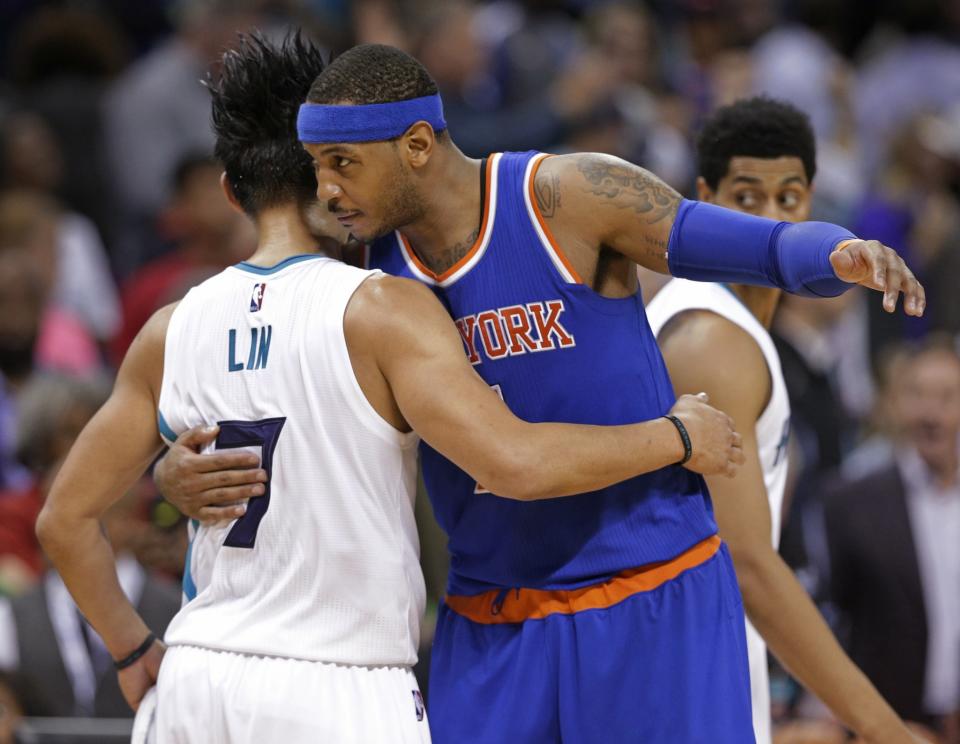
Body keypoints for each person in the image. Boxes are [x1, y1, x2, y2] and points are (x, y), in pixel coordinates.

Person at [161, 42, 923, 743]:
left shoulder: (564, 195)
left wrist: (843, 252)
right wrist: (173, 473)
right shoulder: (361, 263)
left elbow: (741, 242)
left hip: (648, 597)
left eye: (341, 163)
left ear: (418, 145)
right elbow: (259, 362)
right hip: (491, 619)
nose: (324, 191)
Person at [35, 34, 743, 744]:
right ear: (332, 177)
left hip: (196, 676)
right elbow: (515, 462)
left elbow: (62, 521)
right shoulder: (386, 310)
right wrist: (678, 436)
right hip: (340, 683)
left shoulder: (169, 330)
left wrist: (133, 644)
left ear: (229, 190)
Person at [645, 97, 914, 744]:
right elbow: (747, 562)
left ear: (811, 203)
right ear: (703, 199)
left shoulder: (741, 328)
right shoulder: (713, 339)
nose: (770, 220)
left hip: (706, 643)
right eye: (746, 198)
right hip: (680, 657)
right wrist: (883, 729)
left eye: (788, 199)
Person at [825, 337, 960, 737]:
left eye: (947, 396)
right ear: (895, 403)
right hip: (892, 725)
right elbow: (834, 618)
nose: (930, 412)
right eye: (917, 395)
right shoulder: (851, 502)